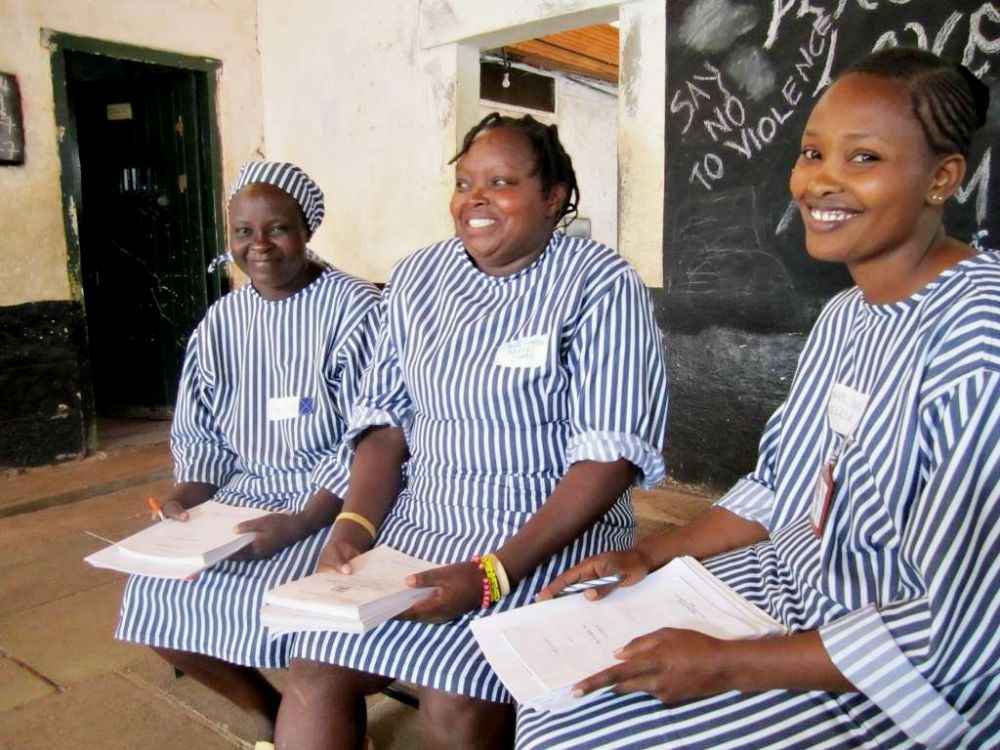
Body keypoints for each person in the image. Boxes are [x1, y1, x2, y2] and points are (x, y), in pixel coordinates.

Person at [517, 47, 1000, 750]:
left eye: (863, 159)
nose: (820, 181)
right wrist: (656, 557)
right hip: (790, 588)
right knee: (556, 687)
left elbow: (963, 627)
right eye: (813, 153)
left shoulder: (978, 341)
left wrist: (729, 666)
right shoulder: (847, 316)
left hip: (898, 672)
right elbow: (779, 487)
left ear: (942, 178)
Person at [273, 114, 670, 750]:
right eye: (464, 183)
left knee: (456, 690)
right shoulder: (417, 278)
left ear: (553, 197)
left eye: (502, 182)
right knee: (315, 666)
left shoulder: (601, 284)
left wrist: (493, 574)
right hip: (422, 521)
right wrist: (355, 526)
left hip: (542, 530)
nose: (475, 200)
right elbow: (384, 420)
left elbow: (610, 459)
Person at [115, 161, 381, 749]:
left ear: (306, 230)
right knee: (154, 597)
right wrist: (189, 494)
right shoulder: (221, 320)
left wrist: (304, 521)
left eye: (277, 229)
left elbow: (372, 435)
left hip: (332, 498)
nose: (258, 246)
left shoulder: (354, 310)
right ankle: (271, 710)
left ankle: (325, 719)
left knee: (303, 612)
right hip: (243, 494)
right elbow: (200, 428)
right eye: (243, 231)